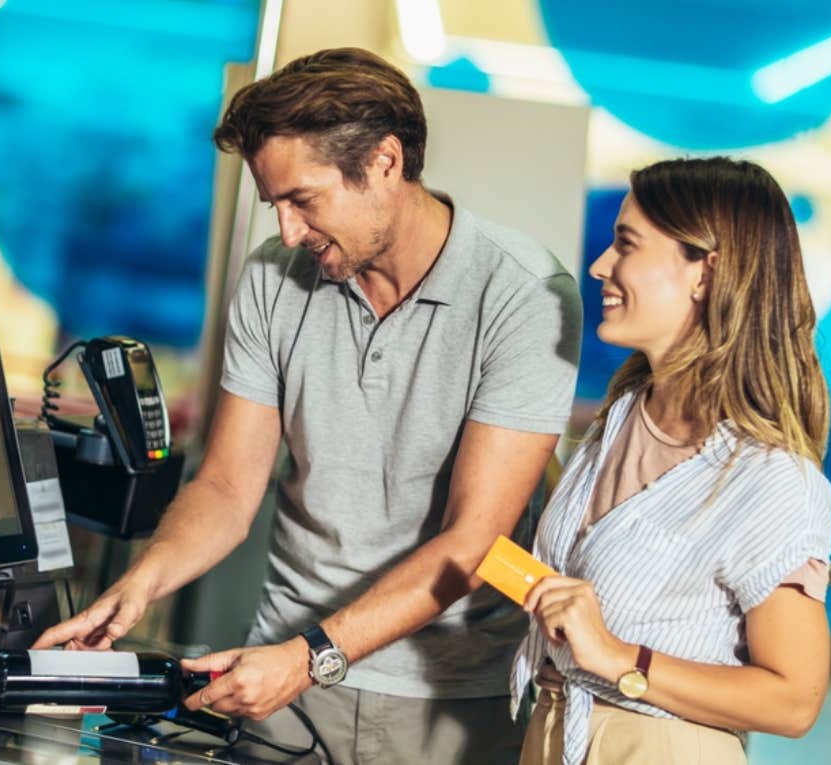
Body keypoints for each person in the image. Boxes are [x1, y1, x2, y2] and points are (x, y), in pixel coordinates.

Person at [35, 47, 583, 763]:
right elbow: (229, 484)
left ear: (386, 163)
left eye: (304, 200)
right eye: (276, 205)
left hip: (445, 699)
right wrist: (143, 582)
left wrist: (310, 655)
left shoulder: (524, 295)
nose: (288, 231)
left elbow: (474, 540)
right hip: (282, 683)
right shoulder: (273, 277)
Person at [512, 157, 831, 765]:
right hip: (552, 734)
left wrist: (618, 658)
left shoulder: (771, 479)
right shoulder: (622, 415)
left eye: (625, 245)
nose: (600, 266)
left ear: (706, 273)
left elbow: (795, 701)